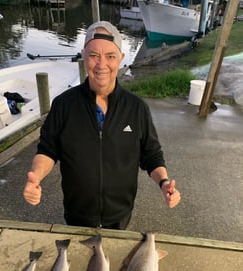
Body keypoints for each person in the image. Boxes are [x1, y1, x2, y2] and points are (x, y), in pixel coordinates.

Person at [23, 21, 181, 230]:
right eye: (94, 55)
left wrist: (164, 183)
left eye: (110, 56)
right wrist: (36, 178)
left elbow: (151, 154)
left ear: (121, 59)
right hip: (76, 213)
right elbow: (48, 150)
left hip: (120, 214)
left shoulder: (137, 108)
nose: (101, 64)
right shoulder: (63, 105)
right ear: (84, 56)